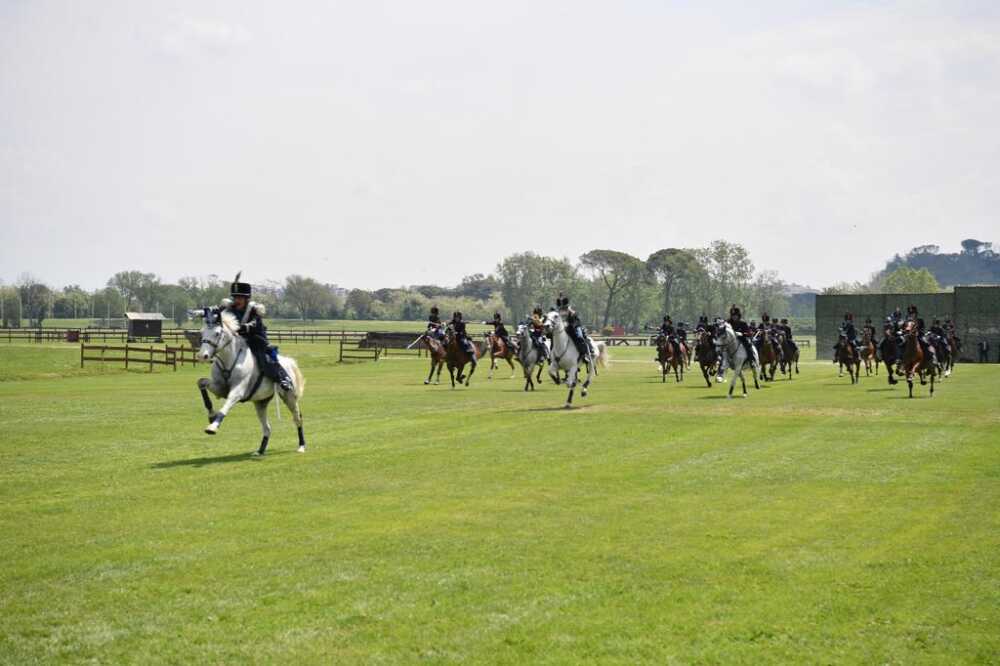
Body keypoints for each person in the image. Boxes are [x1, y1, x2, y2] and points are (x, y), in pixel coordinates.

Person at [223, 276, 293, 391]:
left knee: (264, 359)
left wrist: (245, 327)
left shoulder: (254, 309)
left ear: (246, 299)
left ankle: (283, 379)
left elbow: (255, 323)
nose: (237, 300)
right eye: (235, 297)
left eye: (240, 298)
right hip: (237, 340)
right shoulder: (229, 309)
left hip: (255, 339)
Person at [556, 293, 592, 361]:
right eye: (561, 306)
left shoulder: (571, 311)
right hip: (566, 329)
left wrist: (570, 325)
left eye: (563, 305)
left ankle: (585, 354)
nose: (562, 307)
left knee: (580, 337)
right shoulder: (559, 311)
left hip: (575, 326)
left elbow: (575, 321)